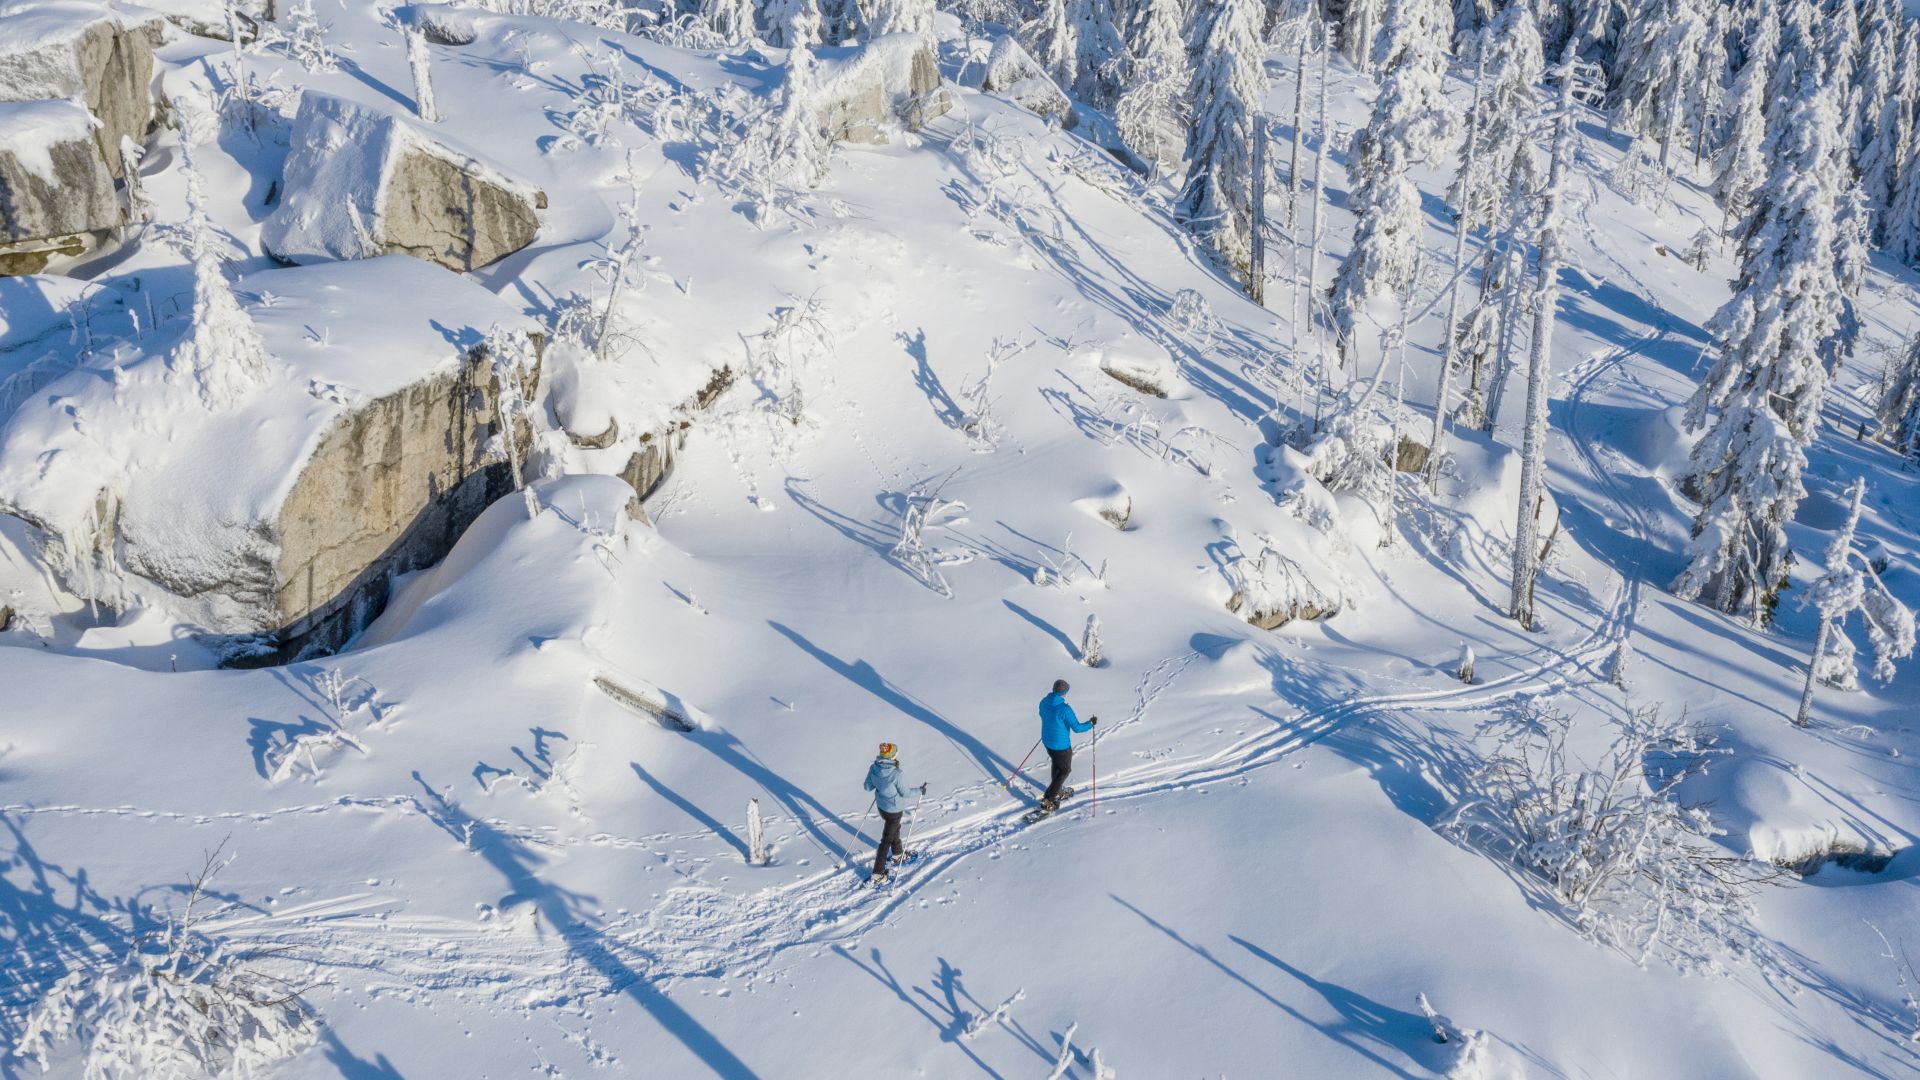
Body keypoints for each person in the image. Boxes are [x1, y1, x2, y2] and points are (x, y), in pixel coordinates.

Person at [863, 742, 923, 881]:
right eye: (896, 754)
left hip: (882, 807)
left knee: (894, 829)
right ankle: (877, 874)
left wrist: (880, 785)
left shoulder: (874, 767)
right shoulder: (897, 774)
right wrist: (920, 791)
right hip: (894, 809)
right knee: (886, 841)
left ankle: (897, 854)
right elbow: (906, 793)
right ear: (892, 756)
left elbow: (867, 786)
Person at [1038, 680, 1095, 810]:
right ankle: (1049, 798)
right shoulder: (1065, 708)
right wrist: (1091, 723)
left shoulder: (1044, 702)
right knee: (1065, 770)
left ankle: (1057, 790)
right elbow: (1077, 728)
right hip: (1061, 745)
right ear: (1064, 693)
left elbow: (1042, 714)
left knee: (1057, 764)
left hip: (1047, 741)